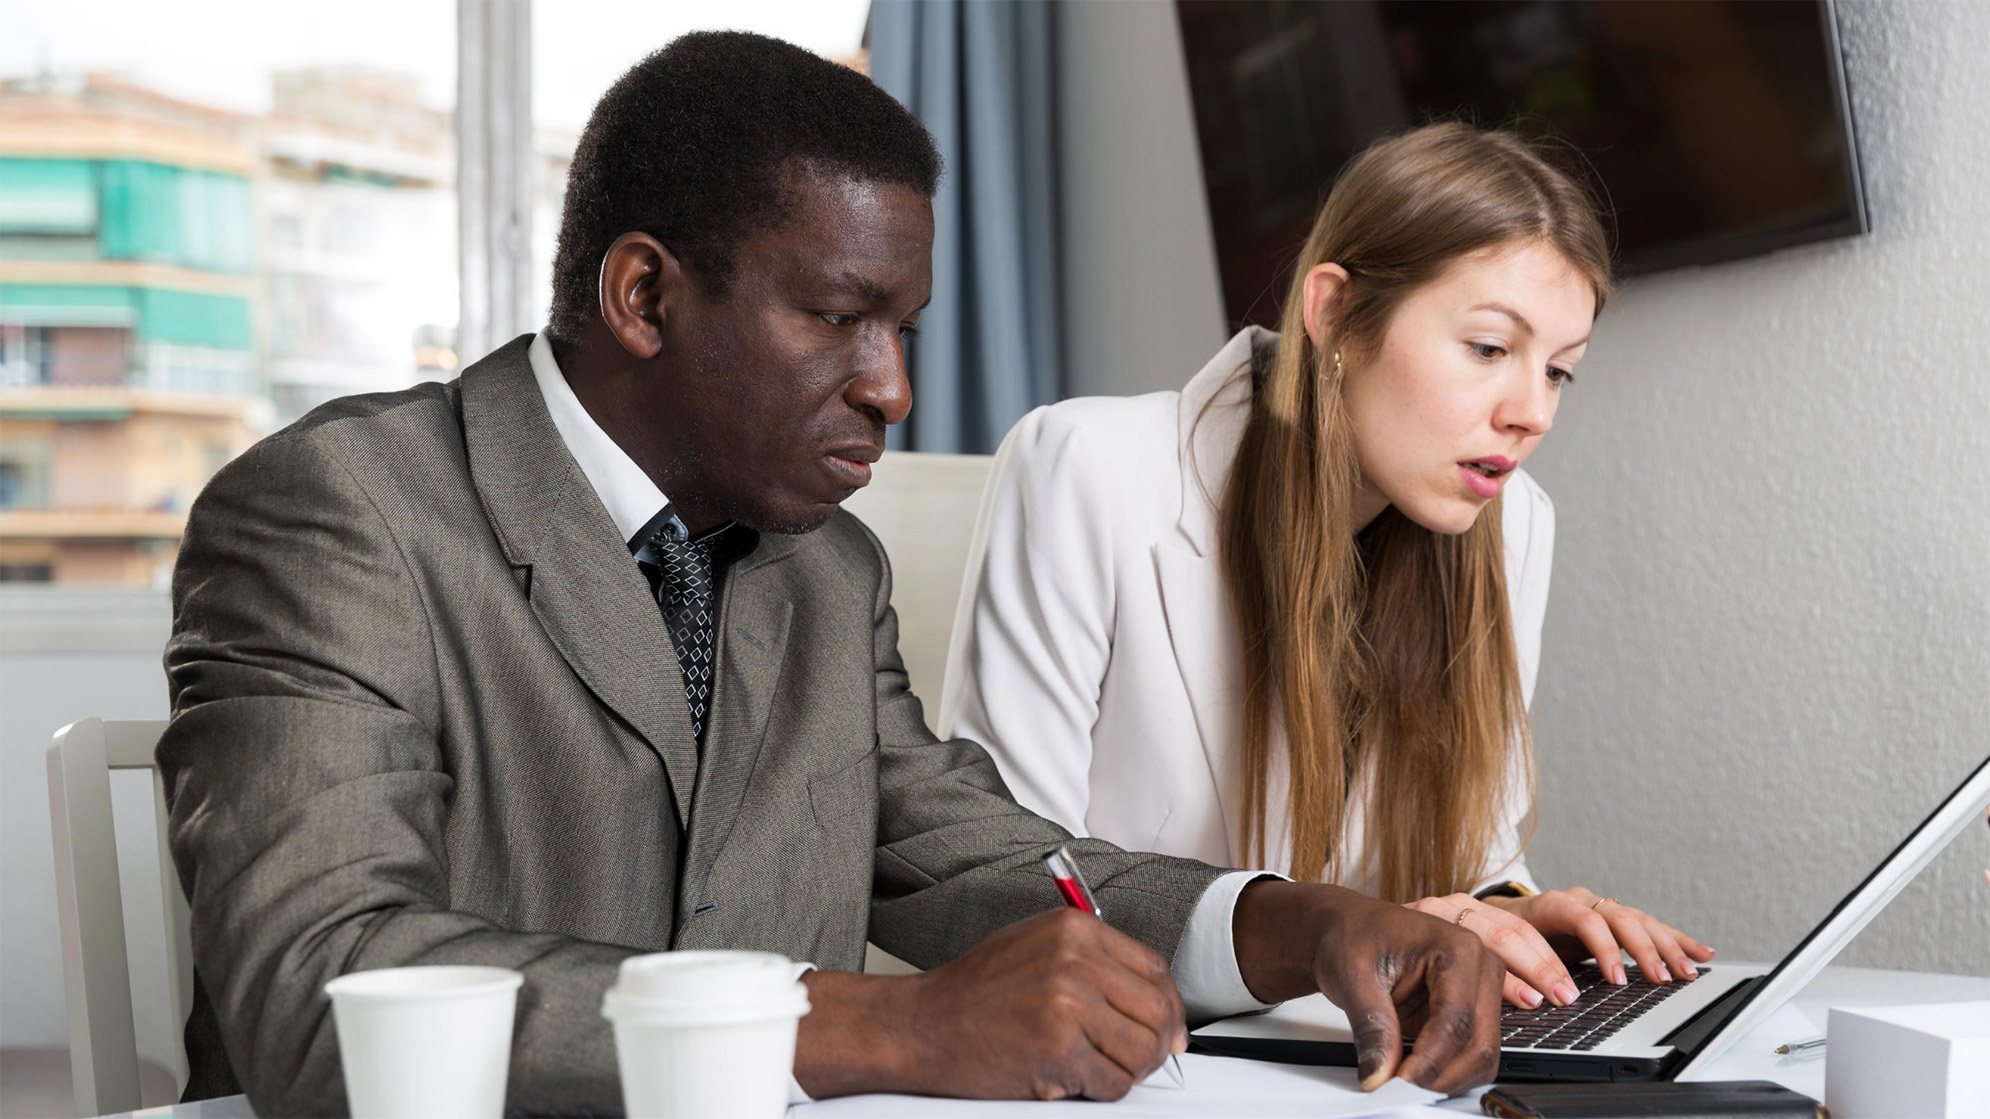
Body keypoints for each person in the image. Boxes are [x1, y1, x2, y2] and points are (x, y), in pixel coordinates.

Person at [159, 35, 1512, 1117]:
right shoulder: (342, 511)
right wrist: (890, 1021)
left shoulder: (821, 568)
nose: (893, 388)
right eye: (838, 316)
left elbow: (975, 858)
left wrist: (1298, 925)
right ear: (644, 296)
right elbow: (319, 979)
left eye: (903, 326)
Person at [940, 123, 1715, 1015]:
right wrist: (1301, 942)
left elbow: (1470, 858)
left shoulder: (1515, 526)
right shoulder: (1088, 468)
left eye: (1559, 372)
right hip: (1143, 1054)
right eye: (1489, 348)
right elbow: (1009, 887)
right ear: (1336, 313)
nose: (1532, 413)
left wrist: (1506, 911)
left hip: (1360, 1059)